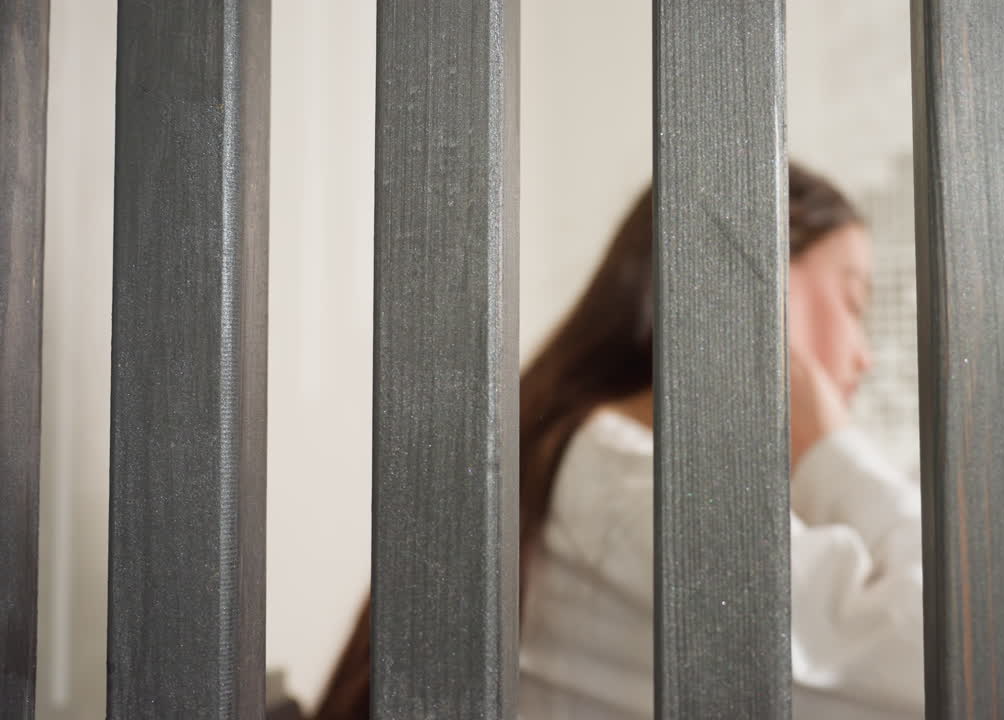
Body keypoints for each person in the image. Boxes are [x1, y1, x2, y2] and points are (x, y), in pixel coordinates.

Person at [312, 164, 924, 720]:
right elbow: (936, 654)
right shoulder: (624, 486)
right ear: (747, 281)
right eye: (853, 302)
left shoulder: (598, 465)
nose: (864, 357)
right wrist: (831, 450)